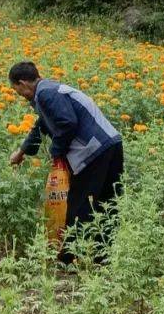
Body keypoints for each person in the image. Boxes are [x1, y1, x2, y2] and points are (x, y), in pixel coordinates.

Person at [7, 61, 124, 264]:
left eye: (18, 91)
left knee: (80, 203)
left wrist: (57, 153)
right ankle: (104, 257)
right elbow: (42, 124)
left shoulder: (46, 93)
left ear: (23, 83)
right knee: (106, 203)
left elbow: (67, 122)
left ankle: (69, 259)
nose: (21, 96)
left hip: (94, 151)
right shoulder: (50, 89)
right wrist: (23, 151)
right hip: (111, 145)